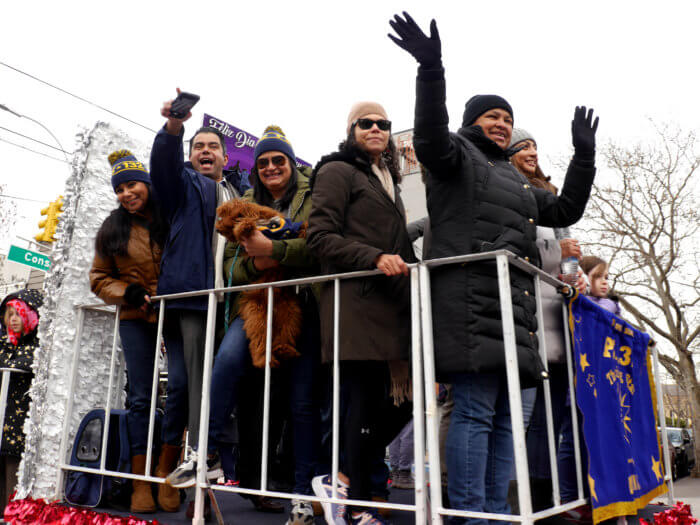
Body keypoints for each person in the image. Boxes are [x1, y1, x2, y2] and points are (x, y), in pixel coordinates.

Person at [388, 13, 599, 524]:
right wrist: (431, 68)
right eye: (492, 116)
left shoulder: (518, 179)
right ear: (472, 122)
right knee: (478, 413)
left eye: (508, 117)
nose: (502, 123)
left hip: (516, 311)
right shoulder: (453, 155)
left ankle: (495, 513)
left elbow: (565, 211)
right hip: (467, 303)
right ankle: (470, 514)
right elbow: (433, 132)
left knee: (510, 422)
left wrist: (584, 158)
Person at [166, 125, 322, 522]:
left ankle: (303, 495)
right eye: (265, 161)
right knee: (227, 362)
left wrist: (276, 251)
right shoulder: (245, 199)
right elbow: (233, 262)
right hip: (253, 304)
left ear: (290, 163)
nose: (271, 167)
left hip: (304, 305)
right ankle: (206, 454)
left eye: (278, 160)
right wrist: (256, 261)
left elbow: (319, 244)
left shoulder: (313, 194)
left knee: (302, 403)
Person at [307, 101, 415, 525]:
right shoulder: (337, 170)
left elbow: (399, 243)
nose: (376, 128)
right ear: (351, 129)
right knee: (364, 403)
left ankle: (346, 482)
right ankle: (356, 505)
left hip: (391, 304)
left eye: (383, 124)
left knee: (398, 404)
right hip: (355, 304)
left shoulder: (389, 179)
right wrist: (374, 258)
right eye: (365, 123)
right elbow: (319, 237)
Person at [149, 90, 244, 515]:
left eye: (213, 148)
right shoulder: (183, 184)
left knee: (212, 389)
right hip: (190, 298)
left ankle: (200, 477)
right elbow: (163, 167)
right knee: (189, 388)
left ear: (225, 157)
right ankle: (178, 476)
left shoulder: (237, 193)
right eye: (198, 147)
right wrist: (173, 128)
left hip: (230, 304)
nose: (206, 153)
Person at [89, 150, 178, 513]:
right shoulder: (113, 229)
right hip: (135, 320)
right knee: (140, 398)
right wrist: (129, 293)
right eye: (120, 188)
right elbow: (98, 278)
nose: (126, 193)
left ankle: (167, 472)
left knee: (182, 392)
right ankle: (141, 481)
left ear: (147, 184)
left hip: (177, 315)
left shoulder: (171, 217)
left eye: (132, 184)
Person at [508, 129, 585, 512]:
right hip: (524, 316)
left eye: (535, 146)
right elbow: (516, 248)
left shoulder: (552, 198)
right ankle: (515, 500)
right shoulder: (507, 194)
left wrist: (575, 273)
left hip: (556, 318)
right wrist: (556, 250)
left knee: (550, 420)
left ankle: (544, 499)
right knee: (520, 418)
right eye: (523, 146)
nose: (532, 152)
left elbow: (568, 256)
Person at [0, 289, 42, 512]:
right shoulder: (3, 343)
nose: (13, 320)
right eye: (9, 314)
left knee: (13, 472)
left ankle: (11, 514)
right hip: (2, 418)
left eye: (18, 314)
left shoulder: (37, 346)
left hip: (20, 425)